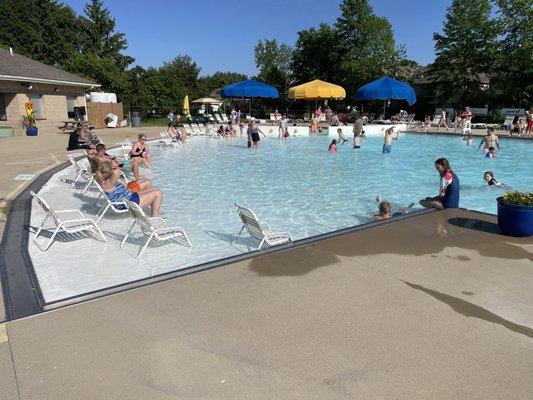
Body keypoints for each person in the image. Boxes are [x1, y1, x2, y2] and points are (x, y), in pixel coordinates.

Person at [95, 161, 163, 217]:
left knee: (155, 189)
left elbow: (117, 175)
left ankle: (151, 207)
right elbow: (117, 171)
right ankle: (155, 217)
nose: (115, 168)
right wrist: (117, 167)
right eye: (113, 168)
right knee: (158, 193)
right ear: (110, 171)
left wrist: (113, 168)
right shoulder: (107, 183)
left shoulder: (108, 181)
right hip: (126, 204)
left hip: (128, 197)